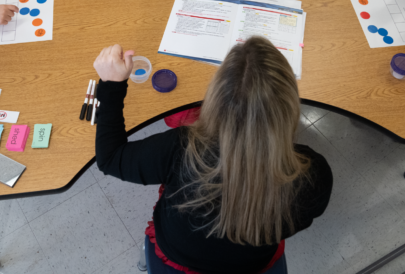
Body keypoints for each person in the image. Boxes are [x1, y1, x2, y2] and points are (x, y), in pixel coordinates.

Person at [94, 37, 333, 274]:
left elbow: (110, 158)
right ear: (290, 106)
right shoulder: (314, 176)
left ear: (214, 98)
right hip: (253, 265)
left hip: (178, 260)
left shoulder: (180, 149)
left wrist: (111, 85)